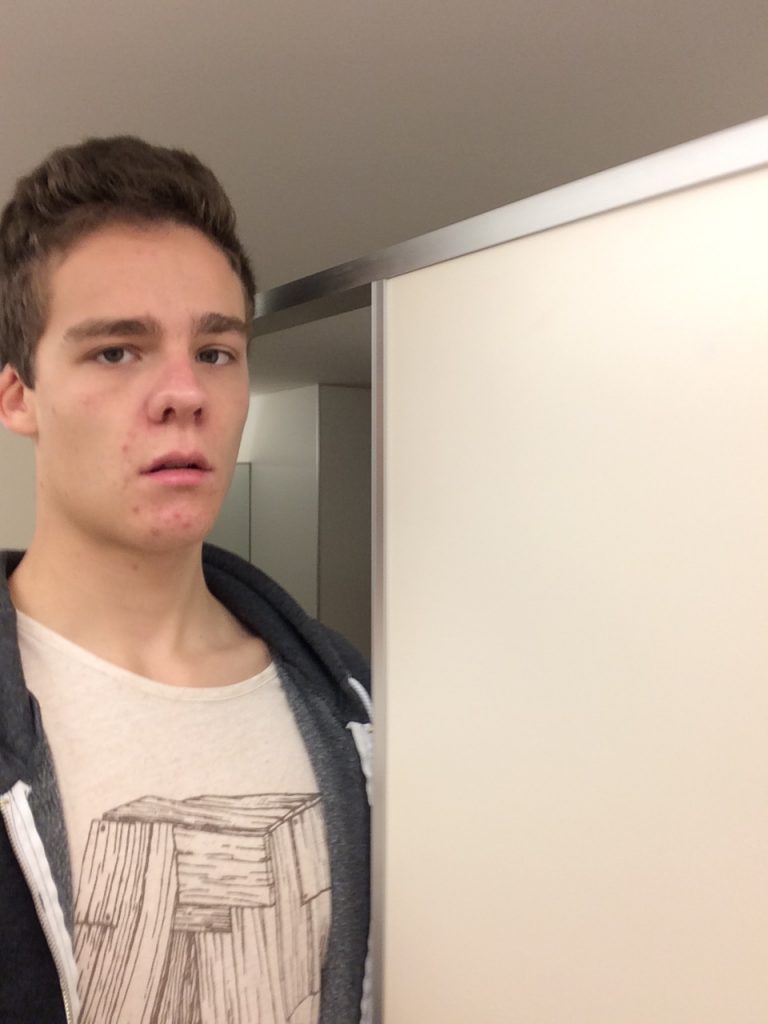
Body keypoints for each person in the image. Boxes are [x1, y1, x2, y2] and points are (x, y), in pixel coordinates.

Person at [0, 137, 371, 1024]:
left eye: (215, 351)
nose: (184, 394)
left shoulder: (350, 699)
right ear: (18, 397)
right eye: (117, 352)